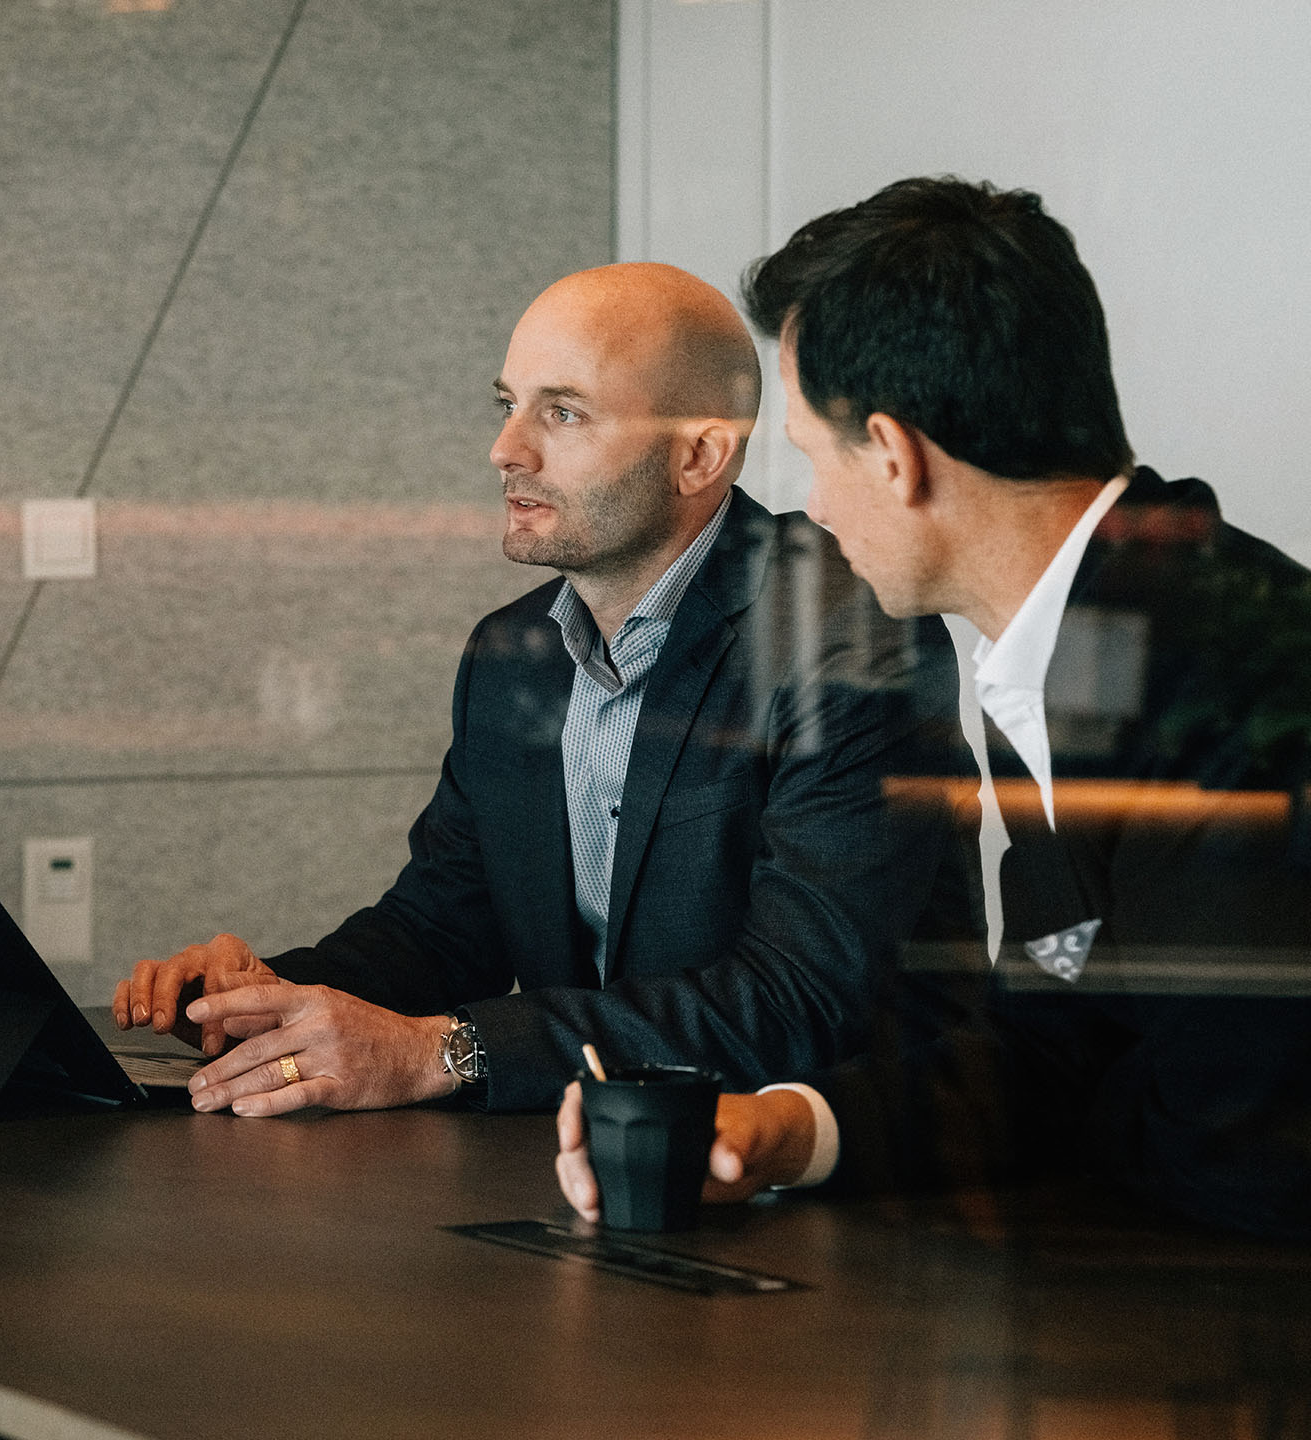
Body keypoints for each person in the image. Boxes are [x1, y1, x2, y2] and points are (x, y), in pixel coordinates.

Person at [558, 177, 1311, 1239]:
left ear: (895, 454)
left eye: (815, 462)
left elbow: (1234, 1150)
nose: (813, 507)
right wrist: (788, 1129)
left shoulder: (1221, 677)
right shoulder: (1085, 635)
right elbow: (1059, 1045)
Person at [117, 262, 954, 1117]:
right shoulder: (512, 652)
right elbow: (445, 930)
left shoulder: (847, 635)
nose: (506, 449)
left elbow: (799, 1001)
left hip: (841, 1184)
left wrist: (446, 1050)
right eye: (506, 404)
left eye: (562, 412)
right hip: (587, 1160)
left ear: (698, 455)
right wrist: (262, 1002)